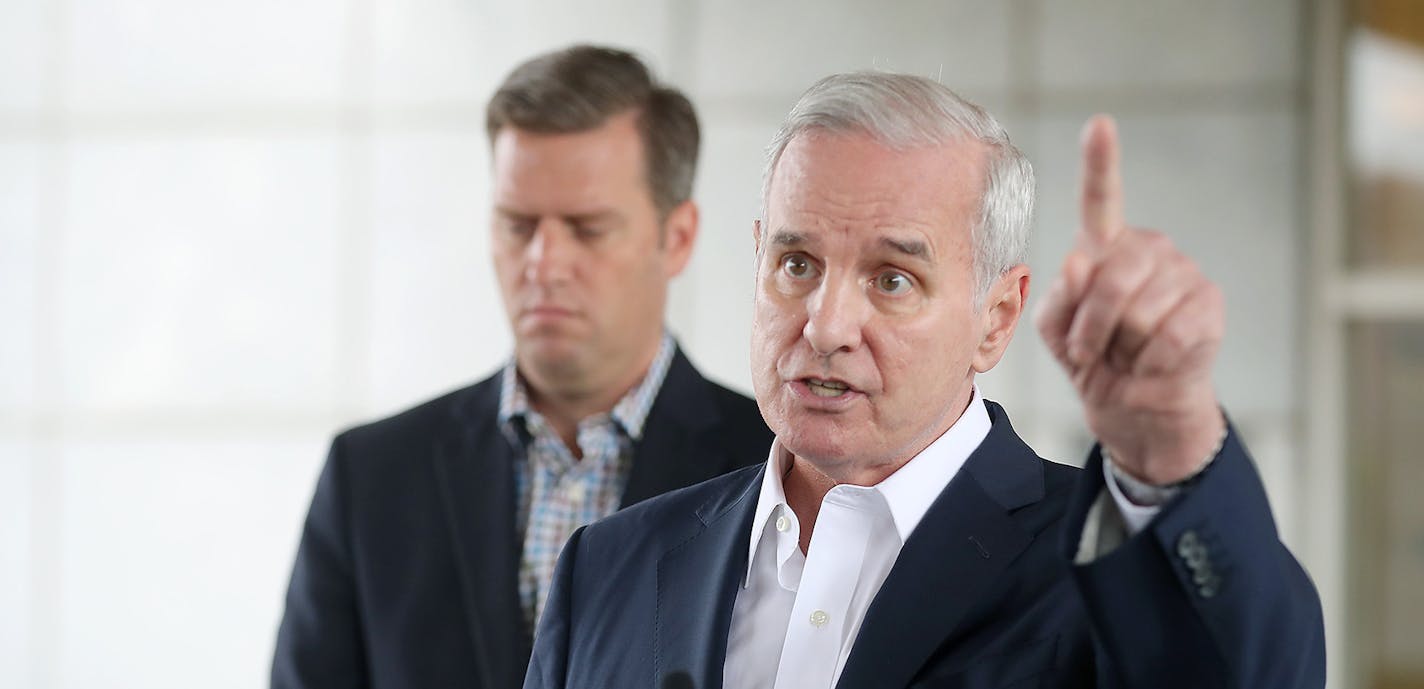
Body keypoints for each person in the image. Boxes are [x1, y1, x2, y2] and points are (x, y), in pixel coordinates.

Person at [524, 72, 1325, 689]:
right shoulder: (609, 566)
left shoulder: (1097, 571)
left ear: (997, 317)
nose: (826, 324)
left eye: (893, 278)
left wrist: (1173, 444)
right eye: (797, 264)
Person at [270, 45, 773, 689]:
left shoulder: (775, 468)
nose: (543, 262)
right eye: (517, 224)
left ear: (675, 238)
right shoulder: (370, 478)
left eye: (587, 228)